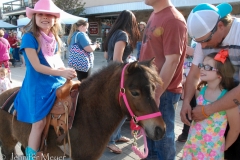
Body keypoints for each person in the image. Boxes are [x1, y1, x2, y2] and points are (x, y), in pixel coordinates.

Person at [13, 0, 77, 159]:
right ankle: (30, 156)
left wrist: (65, 71)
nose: (45, 17)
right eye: (40, 14)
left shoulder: (53, 38)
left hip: (54, 80)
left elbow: (54, 62)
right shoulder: (29, 38)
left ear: (55, 19)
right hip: (37, 85)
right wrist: (61, 73)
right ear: (34, 17)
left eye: (49, 14)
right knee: (39, 124)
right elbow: (36, 66)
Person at [180, 3, 240, 159]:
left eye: (205, 40)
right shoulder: (204, 39)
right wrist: (186, 102)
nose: (203, 46)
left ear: (220, 26)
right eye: (199, 42)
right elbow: (193, 74)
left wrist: (208, 110)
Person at [139, 0, 187, 159]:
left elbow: (172, 60)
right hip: (150, 90)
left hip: (164, 92)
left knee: (162, 139)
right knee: (150, 137)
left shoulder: (173, 20)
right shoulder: (155, 14)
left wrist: (157, 94)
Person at [182, 51, 240, 159]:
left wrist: (223, 148)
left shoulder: (227, 100)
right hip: (192, 148)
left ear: (220, 73)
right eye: (202, 65)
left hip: (211, 154)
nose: (202, 68)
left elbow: (235, 128)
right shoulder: (200, 91)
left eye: (207, 67)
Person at [103, 10, 140, 154]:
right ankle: (110, 140)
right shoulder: (123, 34)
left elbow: (107, 55)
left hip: (110, 73)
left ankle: (116, 136)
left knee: (120, 109)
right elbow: (117, 60)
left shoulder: (113, 33)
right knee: (123, 110)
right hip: (118, 76)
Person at [177, 41, 196, 142]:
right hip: (188, 83)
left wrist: (195, 53)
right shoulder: (194, 39)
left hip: (201, 84)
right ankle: (186, 132)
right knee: (189, 107)